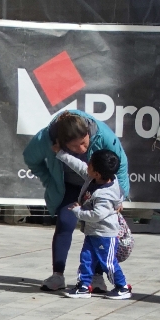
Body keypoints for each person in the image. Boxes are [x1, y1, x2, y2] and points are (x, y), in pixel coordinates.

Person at [24, 109, 131, 291]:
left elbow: (121, 164)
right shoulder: (46, 138)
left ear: (88, 133)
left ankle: (97, 277)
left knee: (101, 231)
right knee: (65, 223)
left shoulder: (103, 134)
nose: (81, 149)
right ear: (61, 142)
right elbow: (30, 158)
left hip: (99, 187)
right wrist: (49, 180)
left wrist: (119, 196)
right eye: (74, 146)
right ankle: (57, 275)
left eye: (83, 143)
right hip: (70, 186)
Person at [64, 149, 132, 300]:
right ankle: (83, 286)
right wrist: (62, 154)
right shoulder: (94, 178)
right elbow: (79, 166)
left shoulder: (105, 195)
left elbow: (96, 215)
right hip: (92, 232)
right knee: (86, 259)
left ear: (97, 174)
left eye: (90, 164)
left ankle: (122, 287)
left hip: (105, 234)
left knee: (108, 263)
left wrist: (78, 211)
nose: (86, 165)